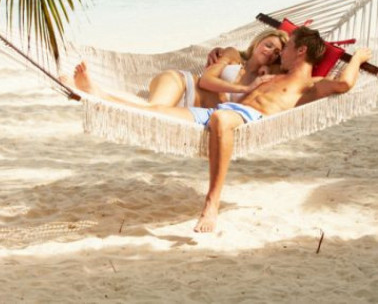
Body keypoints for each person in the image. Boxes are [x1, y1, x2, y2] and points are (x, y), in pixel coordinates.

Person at [73, 26, 372, 233]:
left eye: (288, 46)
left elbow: (344, 83)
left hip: (246, 119)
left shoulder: (310, 84)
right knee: (159, 114)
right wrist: (227, 56)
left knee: (221, 120)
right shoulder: (274, 72)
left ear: (301, 50)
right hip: (220, 112)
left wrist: (357, 58)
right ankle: (97, 94)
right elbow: (243, 62)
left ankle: (212, 202)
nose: (281, 52)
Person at [66, 29, 289, 109]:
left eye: (277, 52)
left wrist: (265, 74)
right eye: (268, 44)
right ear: (257, 42)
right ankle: (96, 92)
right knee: (153, 110)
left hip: (188, 110)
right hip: (182, 83)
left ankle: (94, 91)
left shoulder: (268, 80)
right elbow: (206, 81)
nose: (270, 51)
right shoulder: (232, 54)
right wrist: (244, 88)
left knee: (150, 109)